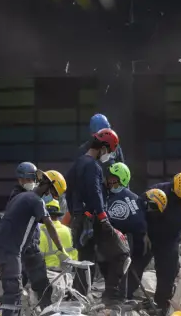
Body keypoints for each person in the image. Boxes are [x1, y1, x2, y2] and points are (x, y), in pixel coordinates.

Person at [0, 170, 70, 316]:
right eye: (51, 193)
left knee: (18, 287)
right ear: (47, 185)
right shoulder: (36, 201)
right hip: (9, 249)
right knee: (14, 289)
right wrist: (61, 250)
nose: (50, 197)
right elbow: (50, 226)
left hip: (6, 246)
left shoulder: (21, 197)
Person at [65, 128, 129, 300]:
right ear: (103, 147)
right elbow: (95, 193)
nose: (108, 154)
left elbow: (68, 193)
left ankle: (79, 297)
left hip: (79, 220)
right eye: (109, 150)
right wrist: (102, 217)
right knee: (120, 252)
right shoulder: (93, 166)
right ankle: (112, 296)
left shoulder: (76, 164)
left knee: (85, 260)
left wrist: (76, 214)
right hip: (93, 220)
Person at [145, 172, 181, 312]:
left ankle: (161, 304)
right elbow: (139, 209)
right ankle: (127, 297)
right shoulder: (157, 191)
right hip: (148, 236)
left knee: (168, 271)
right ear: (173, 187)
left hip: (170, 240)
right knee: (137, 263)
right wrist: (141, 233)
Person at [7, 162, 50, 310]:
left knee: (20, 283)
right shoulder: (21, 197)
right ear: (20, 180)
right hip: (28, 247)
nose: (31, 182)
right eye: (28, 180)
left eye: (33, 180)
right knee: (42, 284)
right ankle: (47, 311)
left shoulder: (20, 195)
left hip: (21, 247)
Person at [104, 163, 146, 299]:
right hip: (114, 241)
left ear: (122, 180)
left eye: (113, 180)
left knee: (121, 272)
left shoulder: (131, 199)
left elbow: (139, 226)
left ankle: (120, 298)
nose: (110, 183)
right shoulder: (109, 195)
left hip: (127, 242)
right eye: (109, 179)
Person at [38, 199, 77, 269]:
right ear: (57, 215)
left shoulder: (41, 232)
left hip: (49, 274)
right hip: (68, 273)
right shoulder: (69, 231)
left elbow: (38, 258)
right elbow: (75, 254)